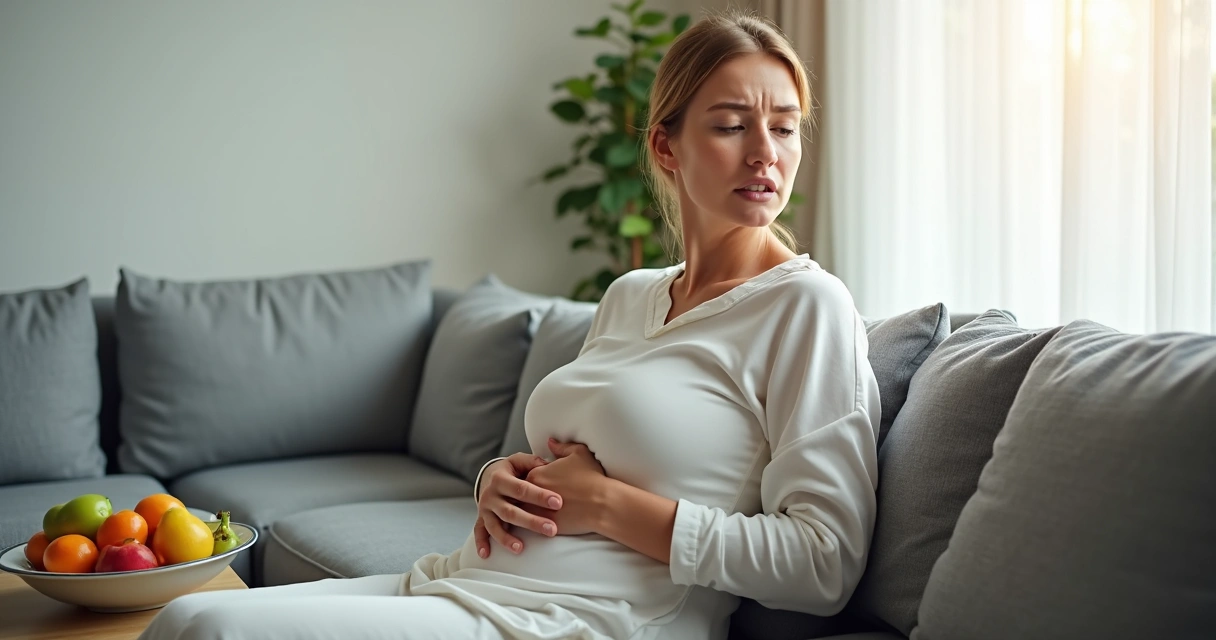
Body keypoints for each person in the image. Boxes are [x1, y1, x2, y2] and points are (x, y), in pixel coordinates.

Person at [140, 10, 881, 640]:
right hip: (468, 585)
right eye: (731, 125)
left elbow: (823, 564)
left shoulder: (806, 308)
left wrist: (615, 508)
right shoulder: (631, 295)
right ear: (665, 145)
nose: (766, 154)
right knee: (181, 616)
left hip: (591, 620)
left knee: (211, 629)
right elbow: (571, 458)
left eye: (785, 129)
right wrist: (498, 480)